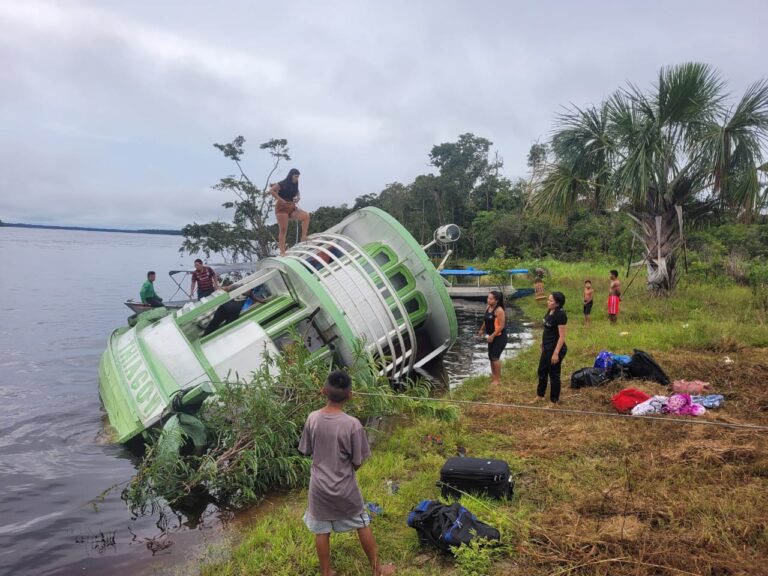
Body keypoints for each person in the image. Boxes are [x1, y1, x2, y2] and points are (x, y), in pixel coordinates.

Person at [298, 370, 395, 576]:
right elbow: (357, 461)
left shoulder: (312, 418)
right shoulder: (353, 424)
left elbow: (306, 449)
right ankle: (378, 570)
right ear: (350, 395)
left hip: (318, 488)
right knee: (362, 522)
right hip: (345, 487)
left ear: (323, 391)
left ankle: (326, 572)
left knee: (321, 529)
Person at [270, 168, 311, 256]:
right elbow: (272, 191)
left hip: (291, 207)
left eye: (298, 177)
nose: (297, 178)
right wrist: (280, 200)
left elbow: (297, 191)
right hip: (281, 209)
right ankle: (282, 252)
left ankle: (303, 237)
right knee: (283, 230)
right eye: (296, 176)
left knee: (306, 216)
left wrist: (298, 197)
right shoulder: (283, 183)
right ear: (291, 176)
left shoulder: (295, 183)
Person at [536, 291, 568, 404]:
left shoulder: (561, 315)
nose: (548, 302)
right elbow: (547, 328)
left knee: (554, 374)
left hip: (556, 349)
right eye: (548, 300)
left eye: (550, 300)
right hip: (547, 347)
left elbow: (562, 337)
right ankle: (540, 395)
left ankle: (554, 401)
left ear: (557, 303)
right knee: (542, 371)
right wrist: (542, 342)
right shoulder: (550, 310)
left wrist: (556, 353)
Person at [202, 286, 268, 336]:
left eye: (250, 290)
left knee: (228, 328)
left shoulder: (249, 293)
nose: (248, 291)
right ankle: (205, 335)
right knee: (214, 322)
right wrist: (220, 288)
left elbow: (253, 297)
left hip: (233, 314)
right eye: (248, 290)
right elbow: (226, 288)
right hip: (224, 309)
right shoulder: (237, 286)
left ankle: (220, 338)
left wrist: (261, 301)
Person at [477, 290, 507, 386]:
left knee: (495, 357)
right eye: (488, 298)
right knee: (490, 357)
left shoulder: (499, 310)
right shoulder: (488, 307)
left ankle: (497, 380)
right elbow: (486, 321)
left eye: (491, 299)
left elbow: (501, 326)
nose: (488, 300)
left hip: (499, 337)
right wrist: (481, 330)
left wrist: (492, 336)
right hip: (491, 336)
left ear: (496, 300)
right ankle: (494, 376)